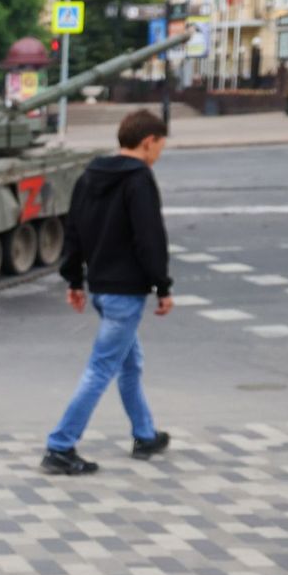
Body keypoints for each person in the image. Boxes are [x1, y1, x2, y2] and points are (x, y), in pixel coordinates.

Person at [41, 109, 174, 475]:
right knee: (101, 368)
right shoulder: (139, 179)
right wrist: (162, 286)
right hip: (125, 291)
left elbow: (74, 231)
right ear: (148, 142)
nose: (160, 152)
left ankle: (145, 434)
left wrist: (73, 279)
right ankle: (60, 446)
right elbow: (150, 238)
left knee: (129, 363)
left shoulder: (90, 175)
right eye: (160, 145)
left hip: (101, 288)